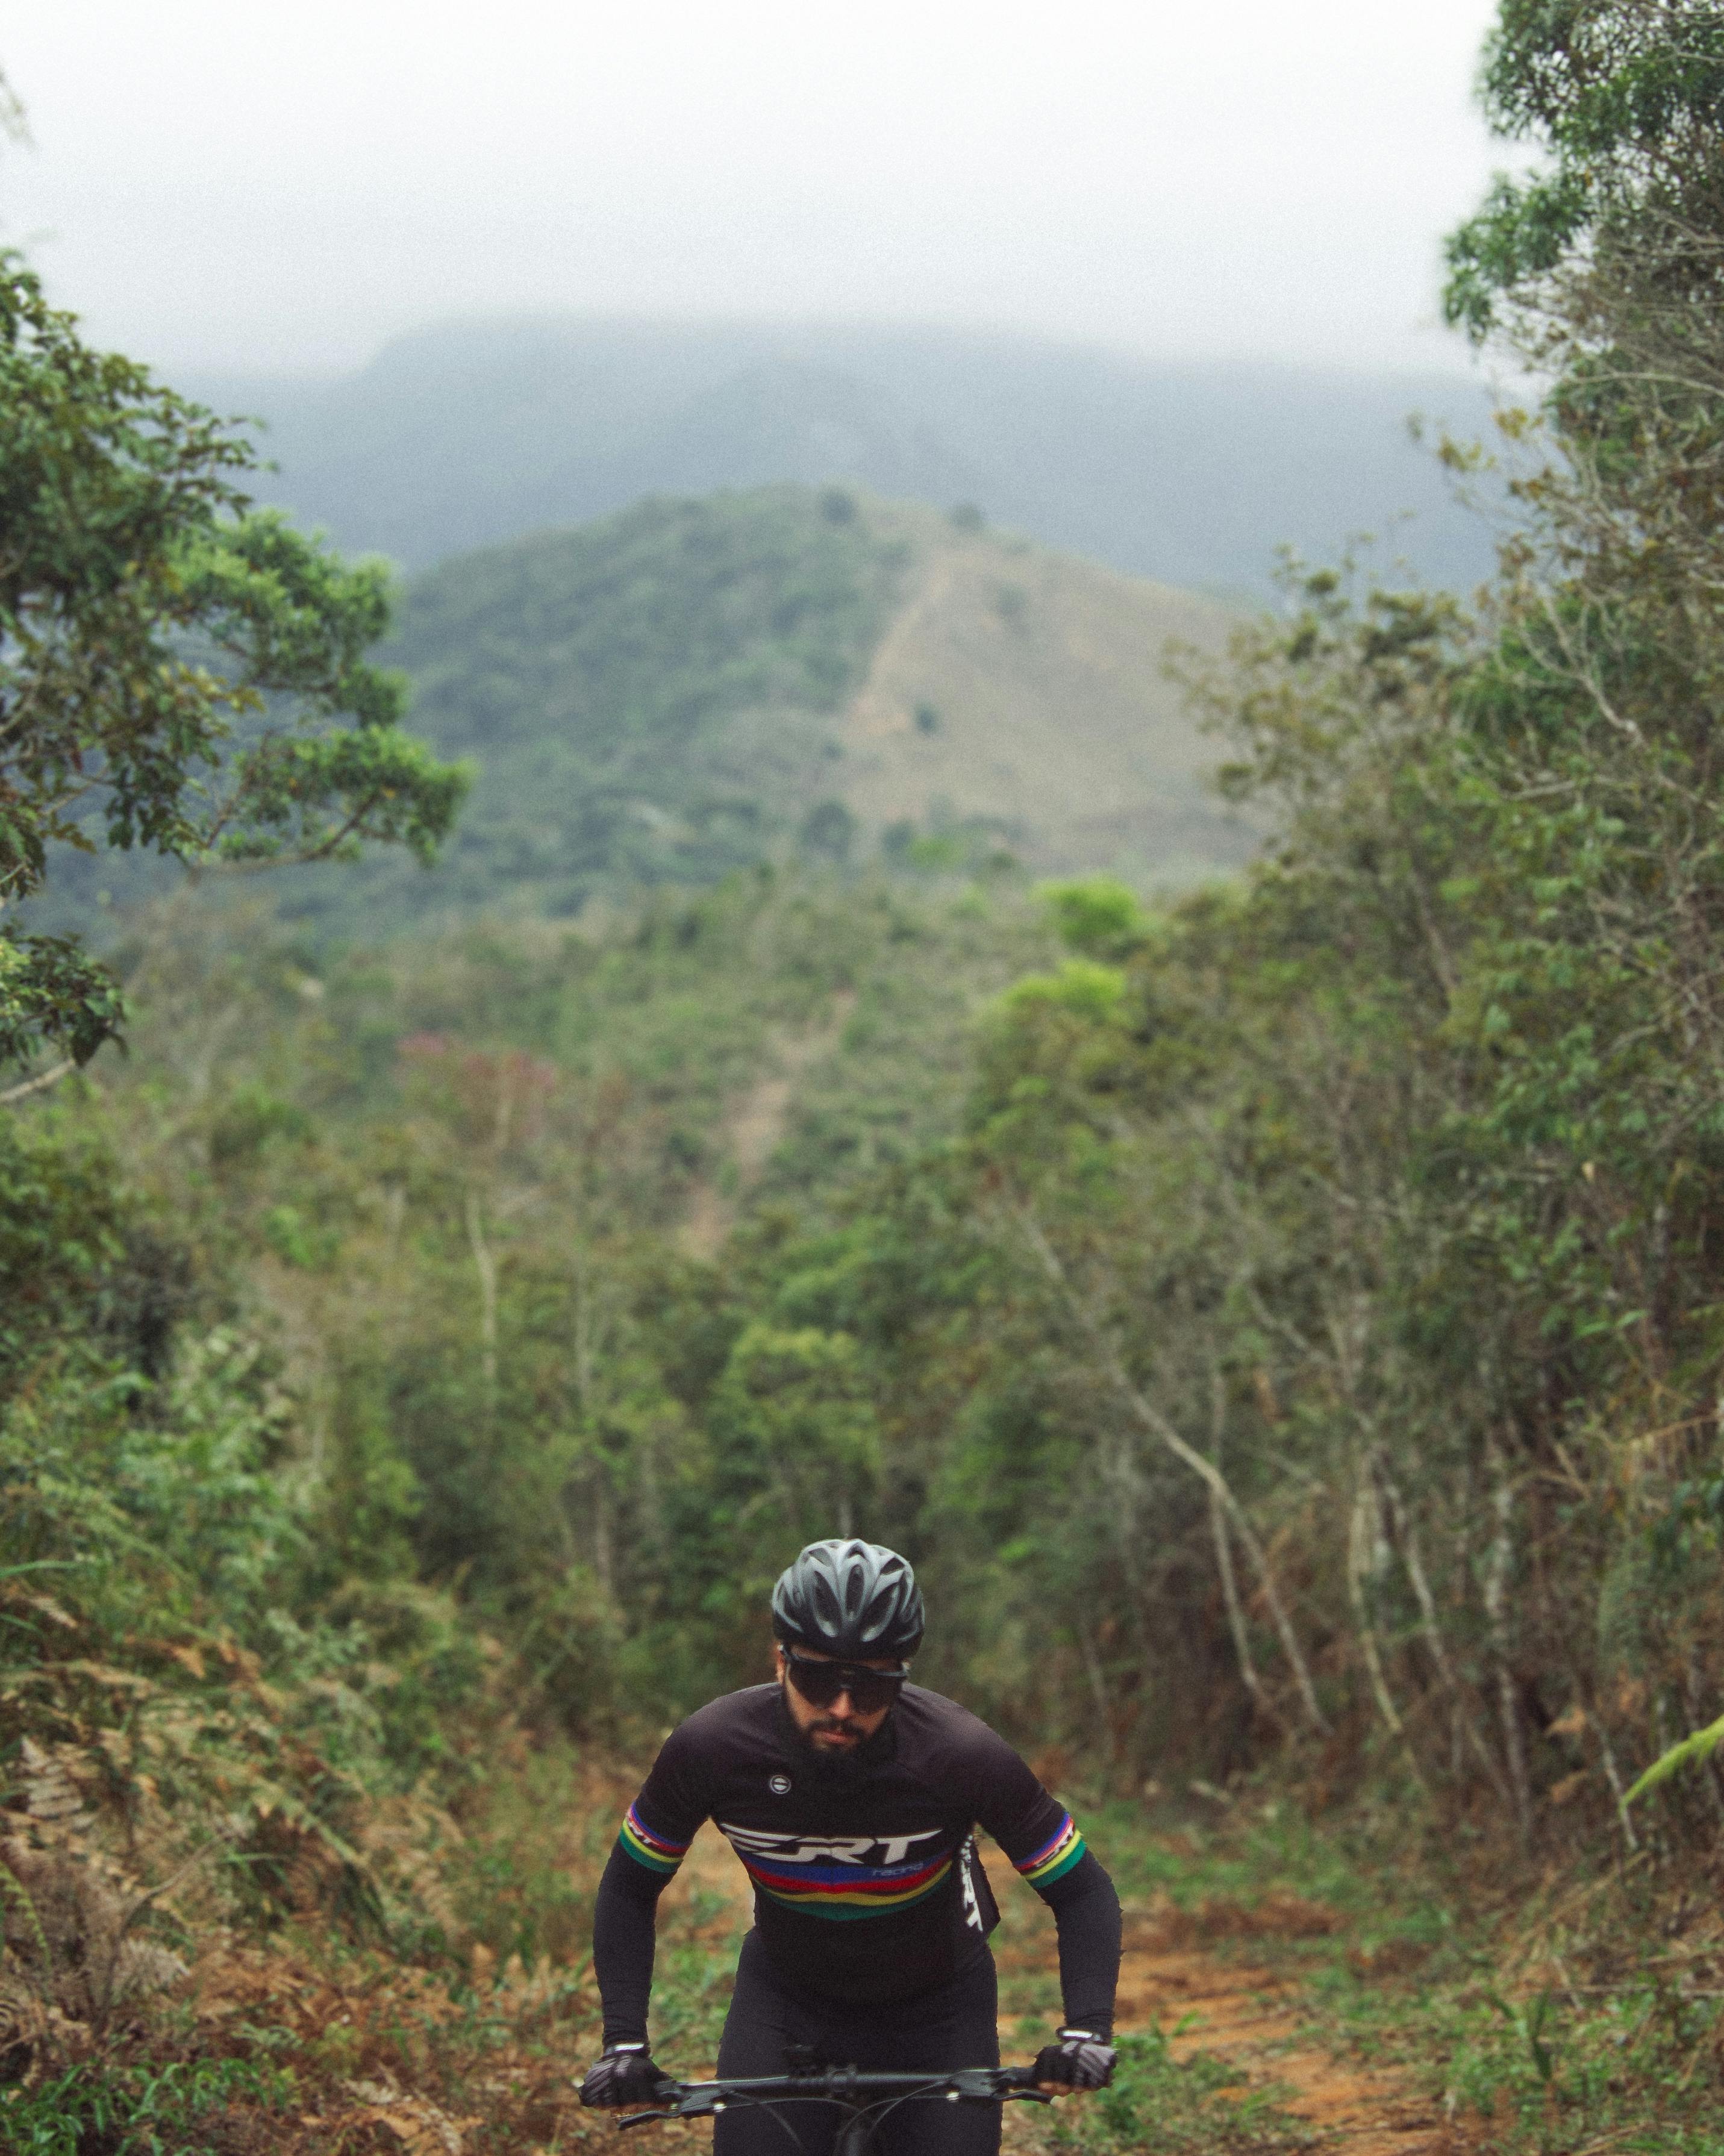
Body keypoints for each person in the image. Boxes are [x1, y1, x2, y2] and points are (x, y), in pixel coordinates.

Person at [578, 1539, 1121, 2156]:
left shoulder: (957, 1753)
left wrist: (1086, 2032)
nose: (841, 1708)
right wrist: (624, 2045)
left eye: (871, 1688)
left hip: (938, 2009)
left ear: (903, 1679)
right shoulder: (712, 1749)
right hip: (787, 2001)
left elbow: (1080, 1890)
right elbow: (629, 1885)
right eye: (817, 1677)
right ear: (779, 1661)